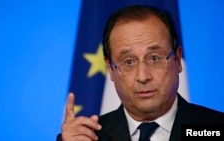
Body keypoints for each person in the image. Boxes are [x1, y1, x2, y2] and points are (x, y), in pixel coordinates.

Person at [56, 5, 224, 141]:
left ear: (177, 60)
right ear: (111, 69)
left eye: (155, 58)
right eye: (128, 62)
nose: (143, 76)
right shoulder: (88, 137)